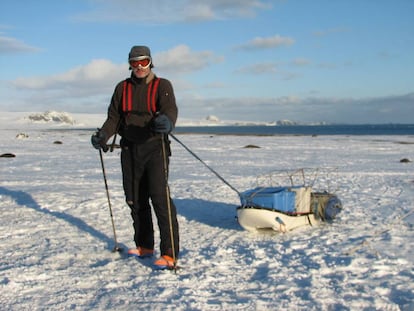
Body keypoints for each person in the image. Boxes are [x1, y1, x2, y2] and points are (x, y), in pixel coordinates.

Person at [91, 45, 179, 269]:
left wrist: (166, 123)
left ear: (151, 62)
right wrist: (103, 134)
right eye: (134, 63)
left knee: (159, 198)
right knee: (135, 199)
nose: (139, 67)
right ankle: (144, 245)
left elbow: (170, 111)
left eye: (144, 62)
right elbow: (113, 118)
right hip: (129, 149)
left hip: (155, 147)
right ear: (129, 64)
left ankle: (169, 253)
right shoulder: (122, 88)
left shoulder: (162, 85)